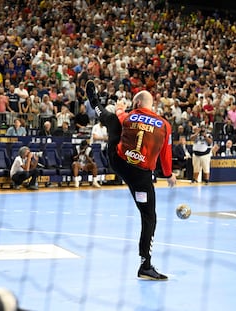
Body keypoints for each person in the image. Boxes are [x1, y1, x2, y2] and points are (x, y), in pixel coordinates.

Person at [85, 80, 176, 281]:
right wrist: (168, 175)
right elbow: (165, 155)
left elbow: (118, 116)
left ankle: (95, 102)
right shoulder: (165, 125)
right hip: (140, 176)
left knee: (111, 120)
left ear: (135, 105)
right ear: (151, 105)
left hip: (118, 161)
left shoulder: (128, 115)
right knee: (149, 217)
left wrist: (118, 108)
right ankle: (145, 264)